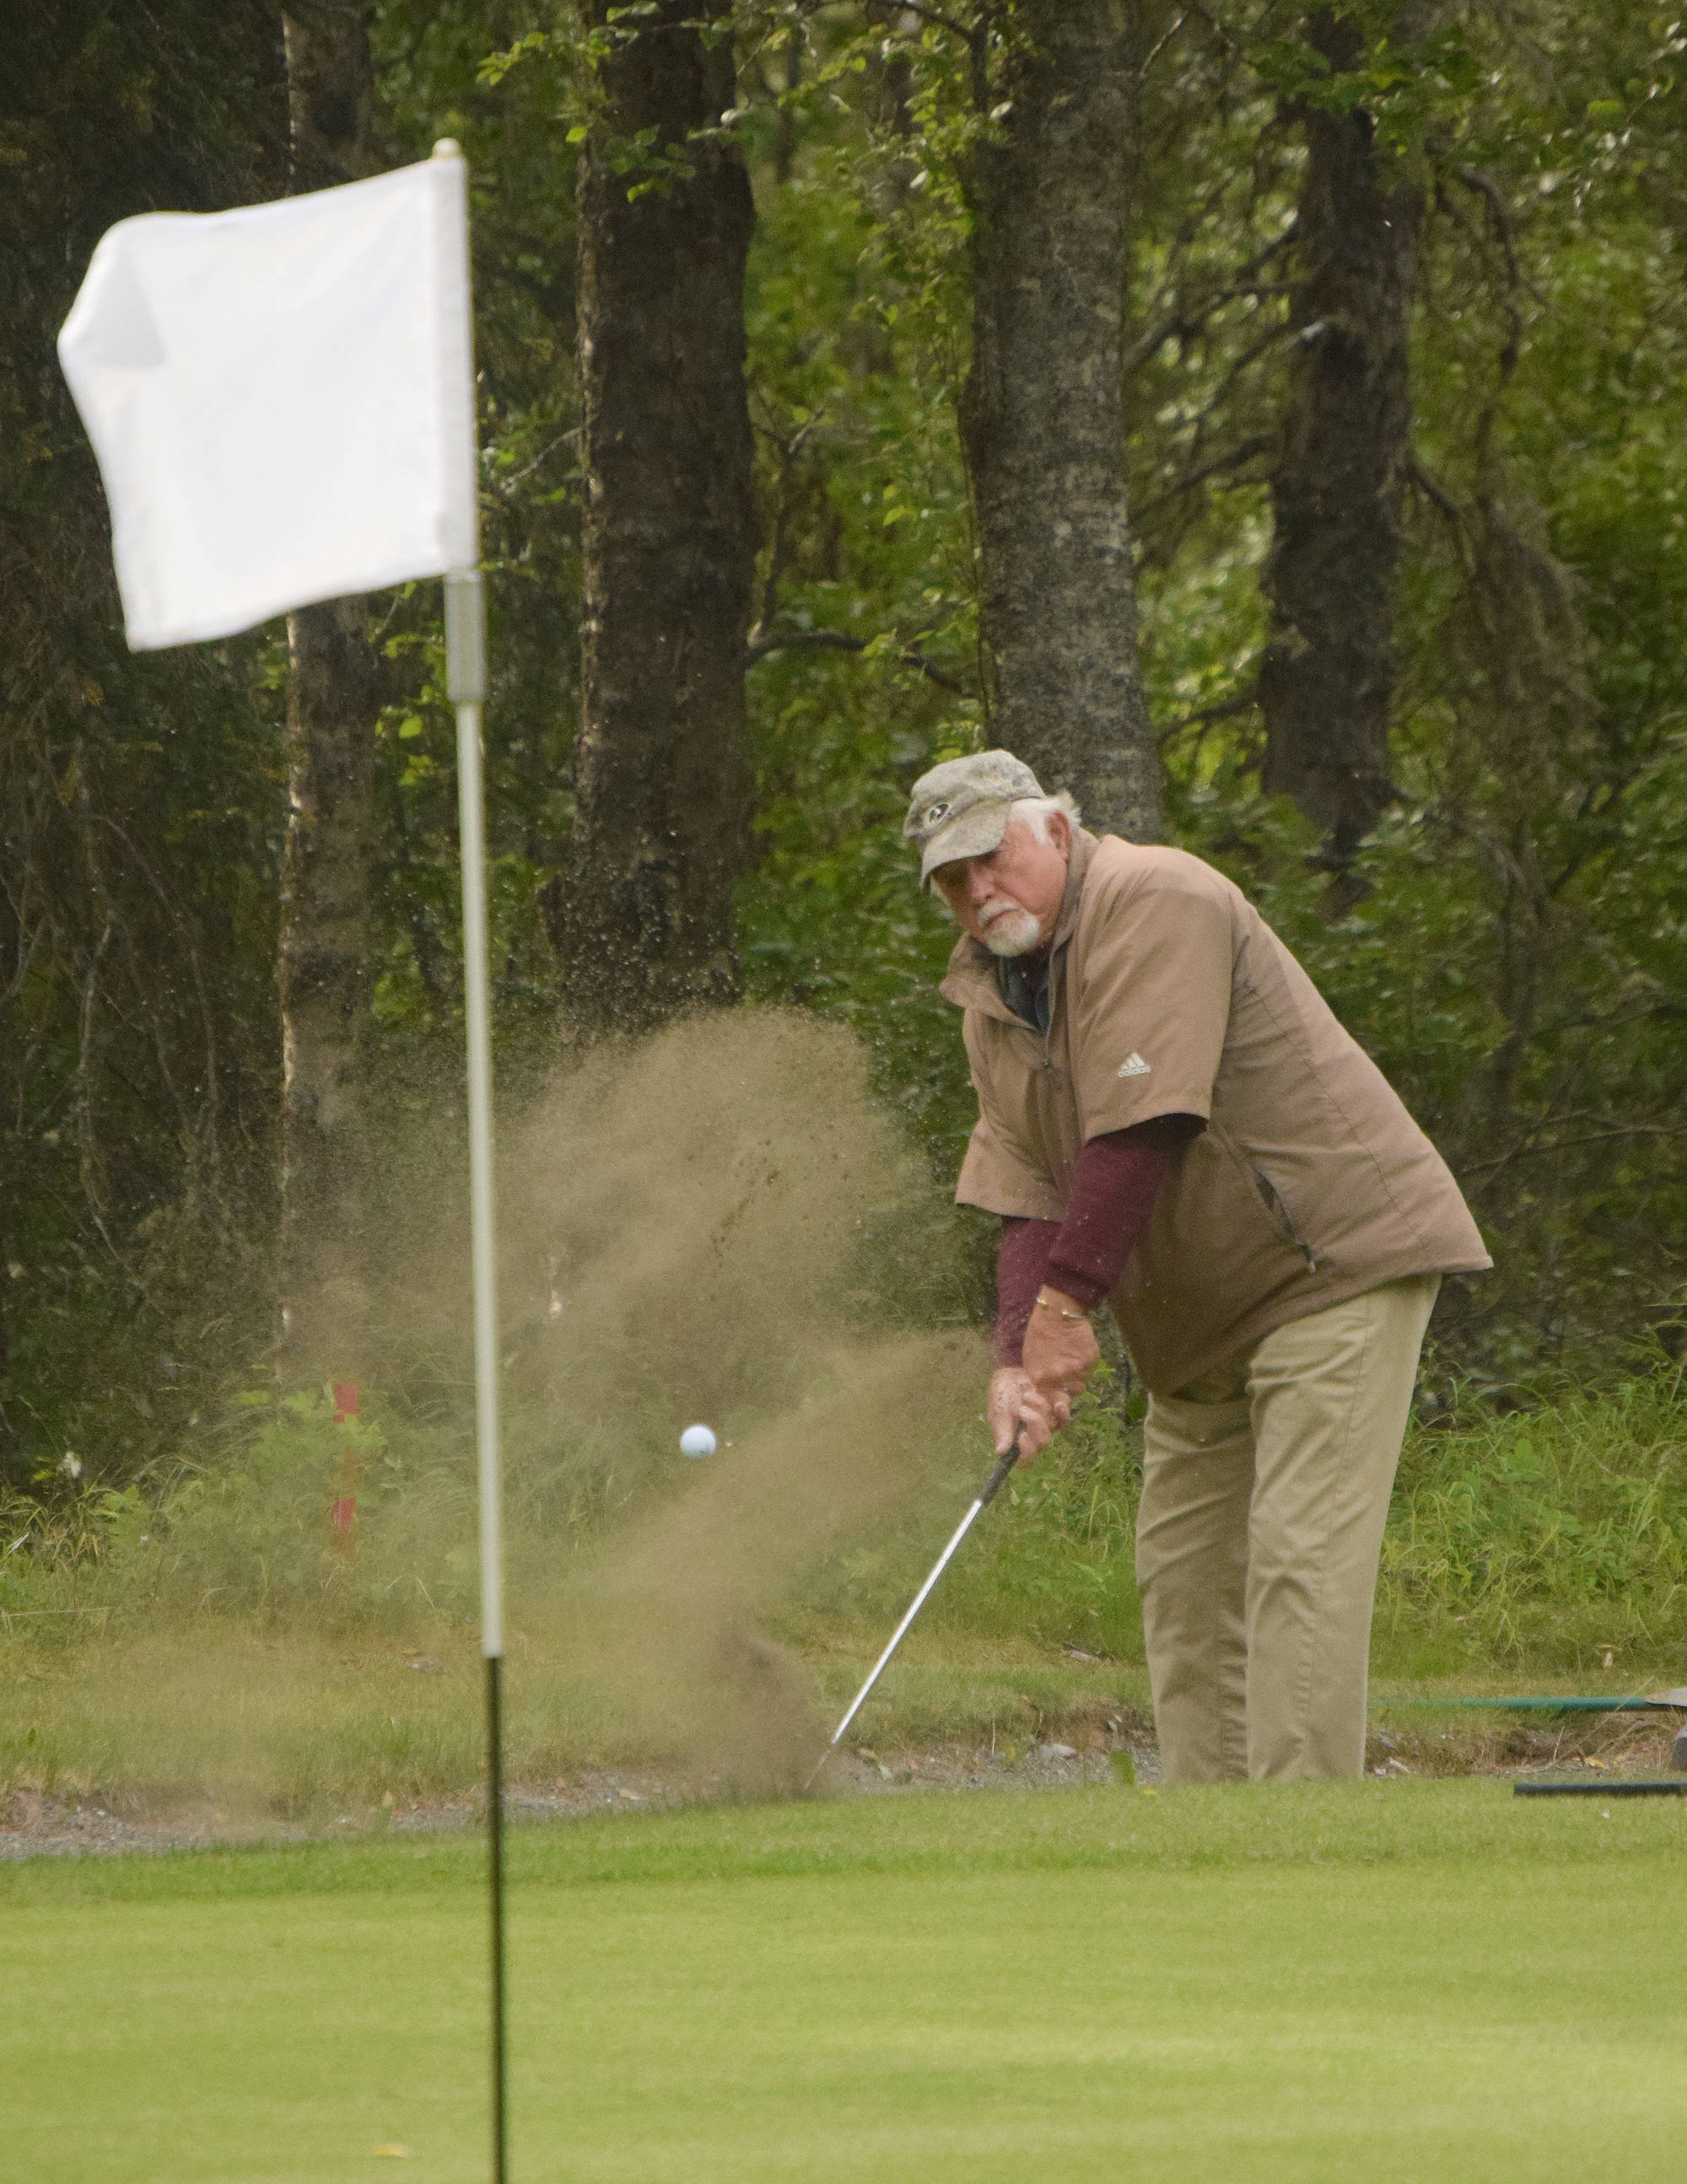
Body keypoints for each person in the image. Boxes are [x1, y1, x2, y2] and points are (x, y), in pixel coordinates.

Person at [903, 750, 1490, 1782]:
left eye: (989, 856)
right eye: (951, 878)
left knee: (1298, 1565)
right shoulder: (990, 998)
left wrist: (1064, 1307)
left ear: (1051, 828)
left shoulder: (1155, 895)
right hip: (1195, 1317)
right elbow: (1022, 1190)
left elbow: (1147, 1123)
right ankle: (1208, 1846)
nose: (976, 889)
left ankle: (1301, 1849)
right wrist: (1013, 1356)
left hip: (1328, 1265)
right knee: (1181, 1582)